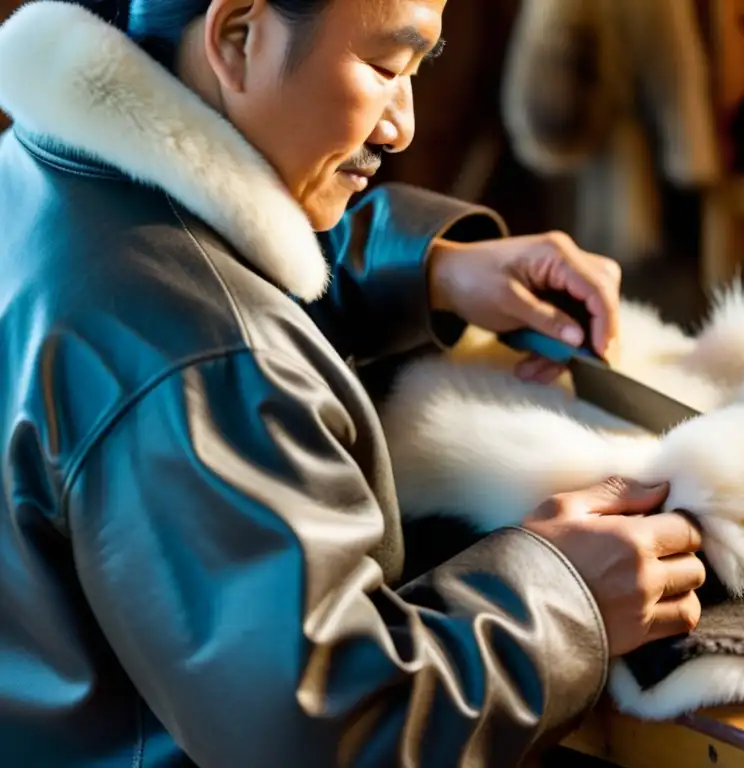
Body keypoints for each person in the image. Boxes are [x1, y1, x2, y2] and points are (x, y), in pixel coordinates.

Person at [0, 1, 706, 765]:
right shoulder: (200, 358)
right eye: (384, 66)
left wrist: (429, 267)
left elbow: (201, 255)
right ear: (238, 37)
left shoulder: (44, 174)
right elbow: (332, 731)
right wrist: (563, 597)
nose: (401, 124)